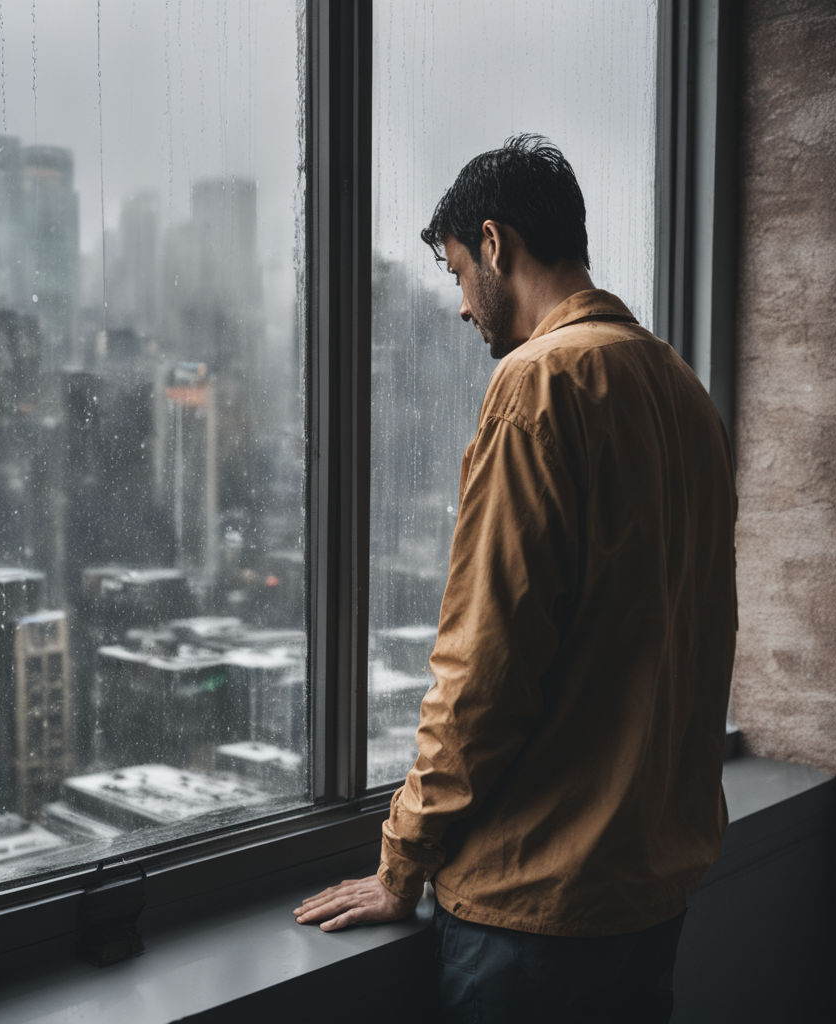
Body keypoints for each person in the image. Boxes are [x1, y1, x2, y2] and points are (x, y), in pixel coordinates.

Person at [294, 135, 737, 1023]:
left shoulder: (539, 384)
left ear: (496, 244)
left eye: (458, 271)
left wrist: (399, 865)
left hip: (537, 911)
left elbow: (484, 668)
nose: (461, 306)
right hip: (648, 892)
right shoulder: (682, 389)